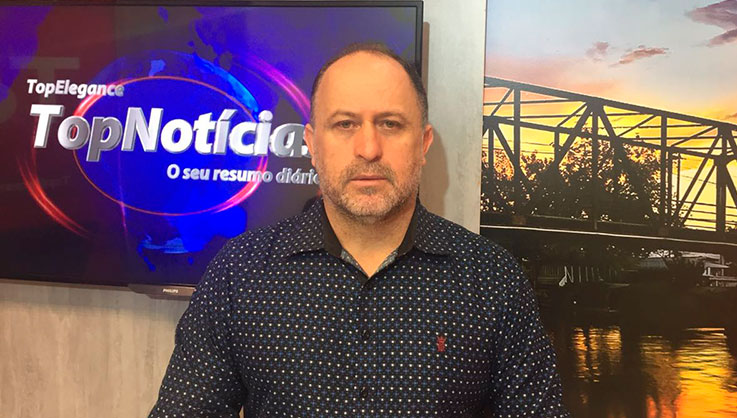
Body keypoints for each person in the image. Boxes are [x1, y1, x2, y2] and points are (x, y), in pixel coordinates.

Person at [149, 43, 570, 417]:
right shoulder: (241, 272)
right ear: (312, 145)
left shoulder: (492, 279)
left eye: (390, 124)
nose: (368, 149)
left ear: (423, 144)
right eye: (345, 124)